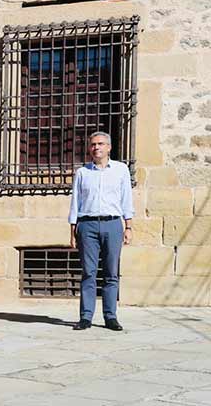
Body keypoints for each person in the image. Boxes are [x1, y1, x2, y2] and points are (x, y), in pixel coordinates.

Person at [68, 131, 133, 332]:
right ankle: (86, 316)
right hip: (87, 225)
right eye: (93, 144)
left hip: (113, 224)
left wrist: (129, 226)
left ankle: (110, 316)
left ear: (109, 147)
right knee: (89, 272)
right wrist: (72, 230)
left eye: (101, 144)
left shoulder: (121, 170)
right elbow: (75, 203)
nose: (97, 147)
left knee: (111, 273)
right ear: (89, 148)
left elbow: (126, 199)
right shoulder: (82, 173)